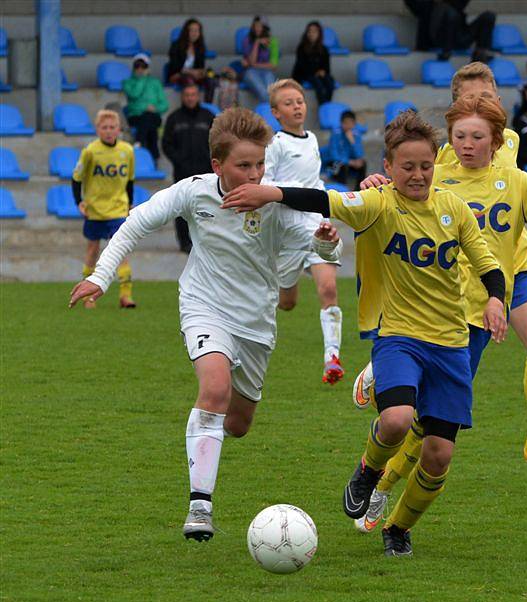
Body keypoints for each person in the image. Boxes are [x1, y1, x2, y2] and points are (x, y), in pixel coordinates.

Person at [220, 110, 509, 558]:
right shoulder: (377, 205)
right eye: (407, 167)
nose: (417, 175)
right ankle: (368, 471)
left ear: (436, 165)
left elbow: (487, 263)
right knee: (395, 419)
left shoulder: (454, 209)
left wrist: (494, 299)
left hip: (451, 342)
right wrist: (268, 192)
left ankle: (397, 528)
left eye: (425, 166)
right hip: (398, 336)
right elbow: (322, 199)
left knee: (438, 456)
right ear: (388, 168)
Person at [68, 107, 343, 542]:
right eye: (244, 165)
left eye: (260, 165)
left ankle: (210, 434)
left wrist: (326, 243)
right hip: (204, 305)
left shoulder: (275, 203)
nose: (255, 174)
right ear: (218, 166)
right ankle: (200, 506)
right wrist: (100, 277)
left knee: (239, 423)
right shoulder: (195, 192)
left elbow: (318, 246)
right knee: (214, 387)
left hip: (256, 322)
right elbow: (134, 224)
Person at [352, 62, 527, 535]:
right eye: (468, 109)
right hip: (449, 303)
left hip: (507, 274)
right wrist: (376, 183)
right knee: (425, 424)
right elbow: (401, 192)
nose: (476, 125)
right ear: (453, 117)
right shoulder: (436, 166)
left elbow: (525, 196)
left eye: (490, 96)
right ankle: (383, 483)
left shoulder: (508, 145)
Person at [264, 79, 344, 384]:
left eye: (299, 100)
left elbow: (314, 183)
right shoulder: (275, 144)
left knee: (329, 290)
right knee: (287, 303)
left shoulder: (311, 139)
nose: (297, 106)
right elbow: (266, 187)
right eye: (288, 103)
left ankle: (332, 359)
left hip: (315, 228)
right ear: (276, 112)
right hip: (286, 235)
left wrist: (325, 213)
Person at [72, 109, 135, 309]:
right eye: (104, 127)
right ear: (98, 130)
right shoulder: (90, 151)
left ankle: (126, 295)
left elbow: (130, 180)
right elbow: (76, 178)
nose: (108, 131)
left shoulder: (127, 151)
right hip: (95, 210)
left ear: (119, 129)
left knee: (121, 251)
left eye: (112, 127)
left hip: (118, 209)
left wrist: (129, 203)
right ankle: (87, 296)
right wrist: (79, 202)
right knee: (92, 250)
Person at [162, 81, 215, 253]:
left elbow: (218, 142)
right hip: (182, 172)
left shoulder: (208, 117)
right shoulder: (174, 118)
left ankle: (204, 241)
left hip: (206, 172)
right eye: (187, 95)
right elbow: (166, 144)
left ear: (198, 96)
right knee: (183, 208)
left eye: (193, 95)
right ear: (182, 97)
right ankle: (184, 242)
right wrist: (178, 160)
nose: (190, 98)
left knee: (205, 207)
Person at [122, 53, 168, 161]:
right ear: (133, 68)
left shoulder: (155, 83)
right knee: (149, 121)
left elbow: (164, 104)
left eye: (143, 66)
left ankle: (139, 143)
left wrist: (155, 108)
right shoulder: (127, 83)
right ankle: (154, 155)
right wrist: (142, 79)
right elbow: (134, 94)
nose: (140, 69)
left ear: (148, 68)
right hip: (136, 117)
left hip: (153, 116)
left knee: (149, 117)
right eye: (137, 66)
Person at [418, 0, 495, 62]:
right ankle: (447, 52)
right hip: (443, 40)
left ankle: (481, 53)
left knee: (489, 16)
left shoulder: (457, 5)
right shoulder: (434, 7)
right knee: (451, 14)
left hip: (461, 36)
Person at [167, 18, 216, 102]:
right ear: (186, 32)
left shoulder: (200, 47)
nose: (194, 33)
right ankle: (191, 105)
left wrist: (201, 72)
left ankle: (207, 106)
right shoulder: (176, 45)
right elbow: (175, 67)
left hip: (194, 75)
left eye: (197, 31)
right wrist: (190, 72)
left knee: (211, 79)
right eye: (192, 30)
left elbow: (200, 66)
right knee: (189, 80)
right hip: (177, 75)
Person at [292, 21, 334, 105]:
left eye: (314, 31)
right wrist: (316, 72)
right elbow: (302, 66)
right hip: (304, 74)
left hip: (318, 74)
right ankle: (323, 106)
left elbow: (327, 67)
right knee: (319, 85)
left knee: (330, 83)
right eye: (309, 31)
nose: (311, 33)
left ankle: (327, 105)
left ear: (319, 33)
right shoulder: (301, 48)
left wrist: (323, 71)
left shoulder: (324, 49)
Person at [242, 15, 278, 103]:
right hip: (251, 72)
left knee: (271, 93)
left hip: (267, 71)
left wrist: (255, 65)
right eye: (255, 26)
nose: (257, 28)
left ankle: (266, 114)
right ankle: (271, 115)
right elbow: (251, 61)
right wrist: (257, 43)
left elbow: (273, 66)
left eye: (260, 26)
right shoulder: (247, 40)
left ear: (265, 27)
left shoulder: (273, 41)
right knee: (263, 92)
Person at [327, 110, 367, 190]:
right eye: (345, 123)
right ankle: (342, 189)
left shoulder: (356, 134)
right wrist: (349, 162)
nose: (348, 126)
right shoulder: (336, 134)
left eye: (351, 123)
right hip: (336, 164)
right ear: (341, 123)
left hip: (350, 163)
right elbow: (334, 156)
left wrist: (352, 142)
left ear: (354, 124)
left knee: (363, 163)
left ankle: (358, 190)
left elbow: (359, 155)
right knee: (341, 166)